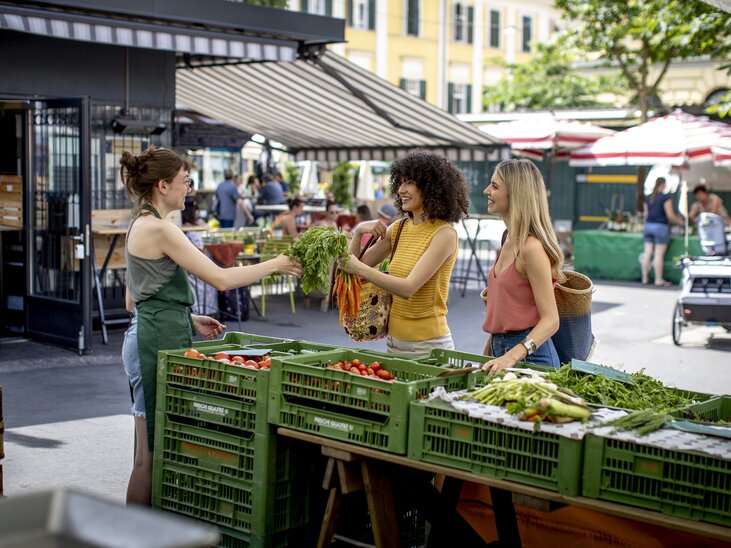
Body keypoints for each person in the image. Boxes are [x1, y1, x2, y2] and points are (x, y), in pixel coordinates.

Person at [119, 146, 301, 506]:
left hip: (152, 333)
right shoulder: (161, 228)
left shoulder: (140, 222)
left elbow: (132, 300)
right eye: (186, 182)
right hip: (152, 344)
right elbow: (220, 279)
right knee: (149, 456)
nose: (190, 189)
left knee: (152, 449)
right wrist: (274, 265)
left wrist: (186, 317)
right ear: (163, 184)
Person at [341, 150, 469, 357]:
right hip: (394, 342)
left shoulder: (444, 234)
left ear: (431, 187)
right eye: (400, 183)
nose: (401, 190)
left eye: (409, 182)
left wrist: (358, 267)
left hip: (429, 346)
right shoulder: (399, 228)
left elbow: (408, 288)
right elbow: (351, 268)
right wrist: (358, 233)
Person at [479, 159, 564, 373]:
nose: (486, 190)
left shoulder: (531, 248)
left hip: (532, 359)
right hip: (501, 350)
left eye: (495, 186)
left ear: (516, 194)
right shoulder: (507, 238)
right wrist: (489, 349)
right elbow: (506, 307)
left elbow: (551, 320)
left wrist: (511, 356)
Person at [641, 177, 684, 287]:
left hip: (648, 226)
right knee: (658, 254)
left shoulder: (648, 198)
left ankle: (645, 278)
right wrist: (682, 223)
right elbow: (670, 216)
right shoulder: (666, 198)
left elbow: (646, 215)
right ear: (663, 184)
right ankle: (658, 279)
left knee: (647, 252)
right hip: (661, 227)